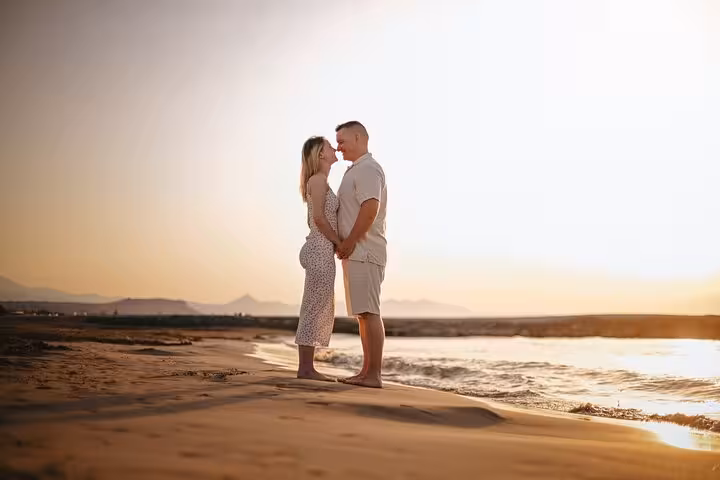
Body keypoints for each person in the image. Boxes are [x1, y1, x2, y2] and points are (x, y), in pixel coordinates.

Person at [335, 121, 388, 388]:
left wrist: (350, 242)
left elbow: (370, 209)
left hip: (365, 250)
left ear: (358, 138)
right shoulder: (355, 170)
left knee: (369, 312)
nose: (338, 146)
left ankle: (374, 375)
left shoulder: (368, 169)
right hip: (355, 252)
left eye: (342, 141)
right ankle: (366, 372)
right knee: (362, 314)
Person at [295, 135, 340, 381]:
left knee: (316, 306)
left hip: (320, 249)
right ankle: (305, 369)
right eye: (330, 146)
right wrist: (339, 242)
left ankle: (307, 367)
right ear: (321, 154)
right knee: (314, 308)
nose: (335, 149)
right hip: (320, 249)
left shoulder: (319, 181)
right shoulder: (318, 180)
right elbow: (320, 220)